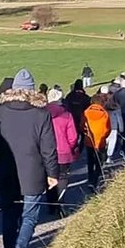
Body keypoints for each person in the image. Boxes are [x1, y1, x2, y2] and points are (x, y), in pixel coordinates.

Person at [0, 69, 59, 248]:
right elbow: (48, 148)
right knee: (29, 217)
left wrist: (5, 154)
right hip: (33, 172)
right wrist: (52, 173)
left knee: (9, 215)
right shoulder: (41, 114)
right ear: (31, 90)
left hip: (6, 171)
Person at [45, 86, 78, 214]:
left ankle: (51, 204)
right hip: (63, 151)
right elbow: (73, 136)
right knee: (63, 177)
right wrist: (70, 147)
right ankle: (60, 201)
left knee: (49, 176)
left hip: (46, 152)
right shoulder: (66, 115)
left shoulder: (43, 114)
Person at [83, 93, 111, 192]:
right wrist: (104, 137)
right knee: (99, 162)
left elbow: (82, 125)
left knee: (90, 162)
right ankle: (95, 180)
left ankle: (90, 179)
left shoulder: (86, 112)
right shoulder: (105, 114)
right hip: (100, 142)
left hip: (89, 140)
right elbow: (108, 129)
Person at [64, 79, 92, 149]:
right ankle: (80, 148)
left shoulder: (69, 96)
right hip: (82, 119)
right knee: (82, 135)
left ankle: (74, 148)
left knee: (72, 134)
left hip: (71, 118)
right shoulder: (86, 97)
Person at [102, 86, 124, 164]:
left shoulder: (100, 103)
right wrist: (121, 128)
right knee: (112, 142)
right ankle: (109, 157)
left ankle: (103, 156)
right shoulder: (115, 105)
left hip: (103, 125)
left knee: (104, 141)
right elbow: (119, 118)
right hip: (113, 126)